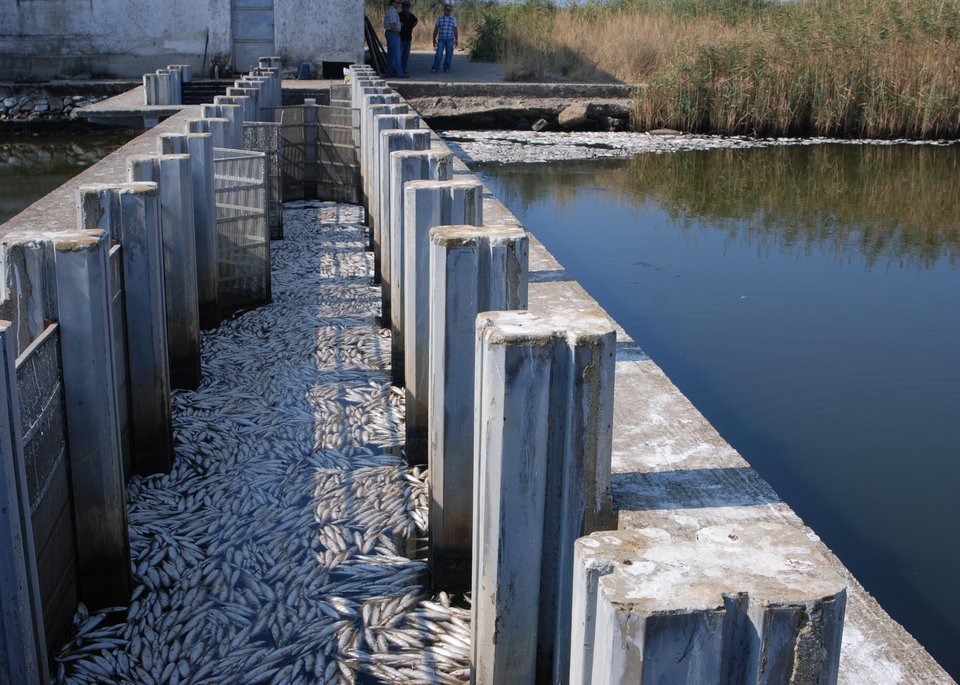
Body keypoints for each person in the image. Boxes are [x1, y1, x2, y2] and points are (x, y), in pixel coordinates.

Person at [431, 1, 459, 74]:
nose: (448, 11)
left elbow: (455, 30)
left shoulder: (453, 19)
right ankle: (435, 68)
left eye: (450, 10)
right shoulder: (439, 18)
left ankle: (446, 68)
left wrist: (456, 39)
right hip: (441, 39)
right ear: (444, 10)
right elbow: (436, 29)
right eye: (447, 9)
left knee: (449, 55)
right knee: (438, 54)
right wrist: (434, 39)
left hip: (450, 39)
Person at [383, 0, 407, 78]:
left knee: (391, 55)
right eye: (397, 2)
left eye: (399, 3)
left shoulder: (390, 10)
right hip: (393, 33)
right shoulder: (392, 11)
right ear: (392, 2)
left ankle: (389, 72)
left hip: (389, 33)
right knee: (397, 54)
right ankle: (400, 73)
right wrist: (397, 33)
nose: (399, 4)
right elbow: (392, 24)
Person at [399, 1, 419, 76]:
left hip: (408, 38)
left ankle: (404, 69)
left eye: (408, 7)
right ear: (403, 7)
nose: (407, 8)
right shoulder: (399, 15)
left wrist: (412, 26)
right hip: (401, 38)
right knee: (400, 55)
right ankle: (399, 69)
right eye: (405, 7)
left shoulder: (411, 16)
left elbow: (416, 21)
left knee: (406, 55)